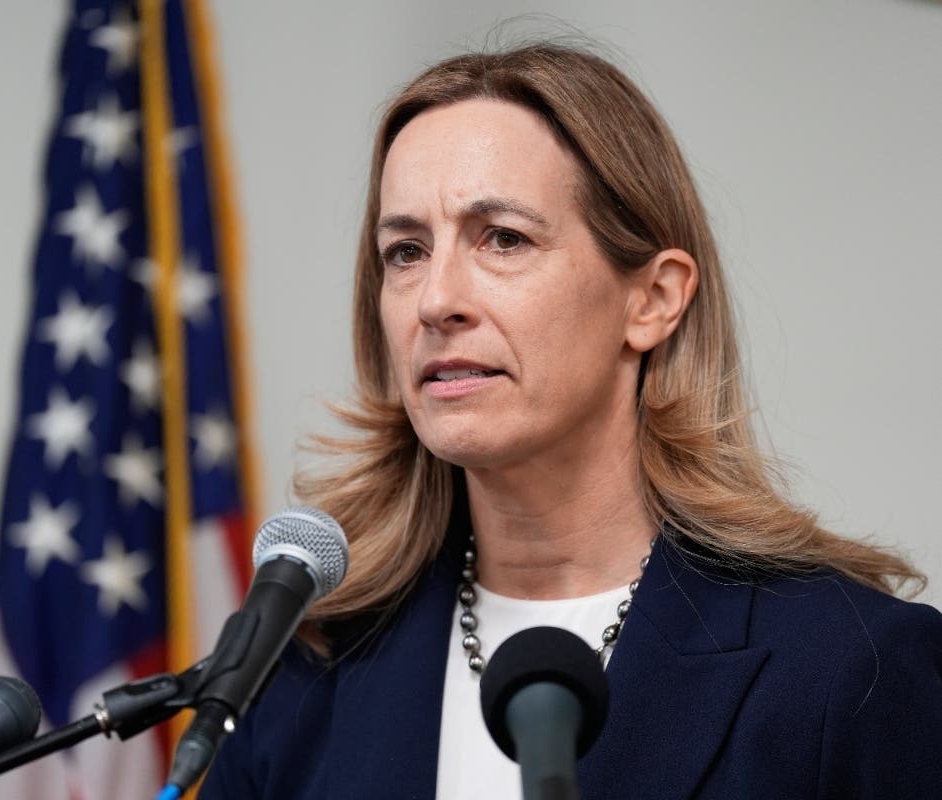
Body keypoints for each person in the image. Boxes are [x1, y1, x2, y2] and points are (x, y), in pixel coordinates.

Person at [199, 42, 942, 799]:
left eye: (504, 238)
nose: (435, 300)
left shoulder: (850, 672)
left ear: (652, 300)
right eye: (406, 251)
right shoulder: (294, 681)